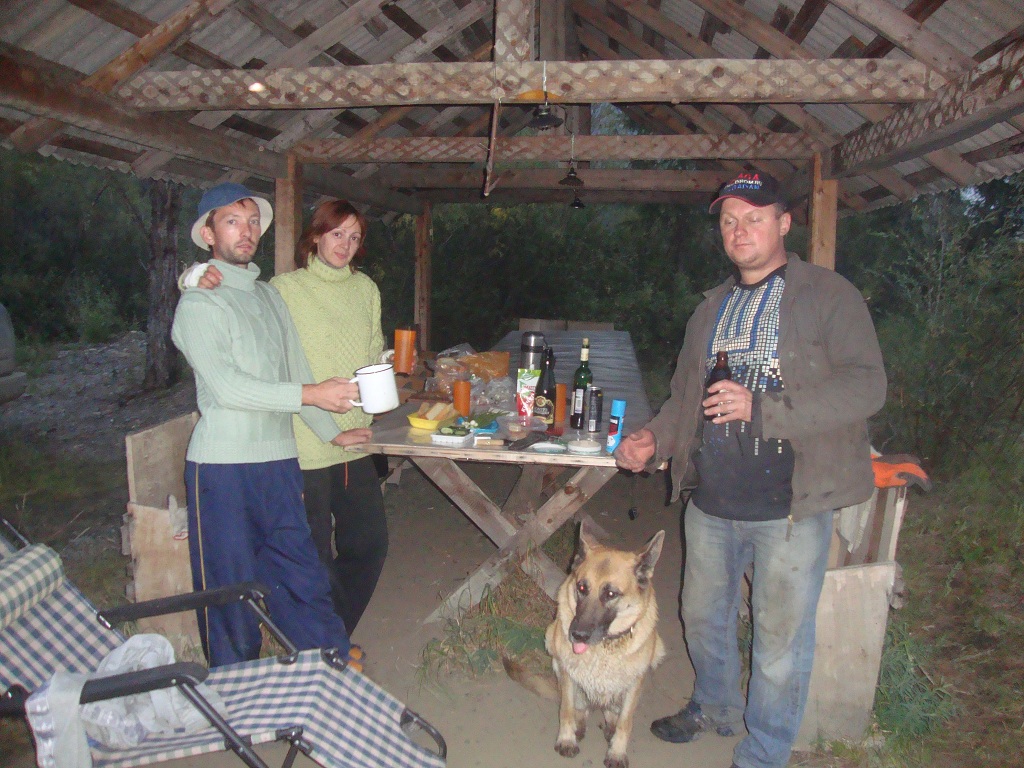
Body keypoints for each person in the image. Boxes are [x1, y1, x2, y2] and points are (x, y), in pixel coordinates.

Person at [615, 172, 886, 768]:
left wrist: (762, 408)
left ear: (784, 223)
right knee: (701, 617)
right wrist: (653, 440)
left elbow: (868, 386)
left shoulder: (828, 295)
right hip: (711, 500)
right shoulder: (710, 308)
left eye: (754, 218)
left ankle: (764, 752)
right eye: (729, 221)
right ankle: (716, 706)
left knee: (780, 640)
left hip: (791, 506)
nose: (739, 231)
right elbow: (685, 398)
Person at [171, 183, 369, 668]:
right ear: (208, 234)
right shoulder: (198, 305)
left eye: (253, 221)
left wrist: (331, 431)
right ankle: (236, 686)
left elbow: (295, 369)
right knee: (230, 590)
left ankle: (329, 666)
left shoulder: (268, 297)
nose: (247, 231)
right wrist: (311, 394)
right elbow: (228, 389)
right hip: (221, 470)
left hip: (278, 463)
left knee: (301, 574)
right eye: (232, 221)